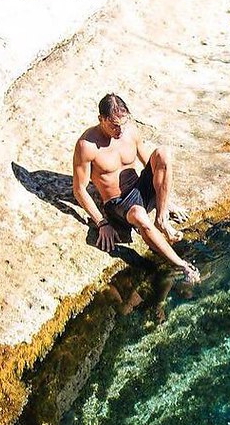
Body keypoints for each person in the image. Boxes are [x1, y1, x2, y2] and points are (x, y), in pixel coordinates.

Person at [73, 93, 200, 283]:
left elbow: (152, 163)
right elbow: (79, 189)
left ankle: (161, 219)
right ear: (101, 119)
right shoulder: (87, 145)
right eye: (114, 125)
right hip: (119, 203)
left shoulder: (130, 131)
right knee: (140, 216)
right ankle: (182, 266)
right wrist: (102, 223)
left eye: (123, 123)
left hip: (138, 188)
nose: (120, 130)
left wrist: (163, 200)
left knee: (163, 154)